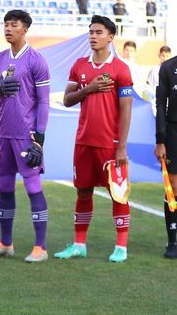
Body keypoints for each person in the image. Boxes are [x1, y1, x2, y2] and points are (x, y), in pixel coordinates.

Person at [55, 15, 133, 263]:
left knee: (118, 194)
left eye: (99, 32)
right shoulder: (80, 65)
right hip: (84, 141)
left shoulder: (121, 68)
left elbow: (126, 109)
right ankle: (79, 244)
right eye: (91, 32)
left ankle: (121, 247)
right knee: (83, 193)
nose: (93, 36)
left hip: (110, 145)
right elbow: (67, 99)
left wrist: (121, 147)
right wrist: (88, 88)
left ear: (111, 37)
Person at [0, 10, 52, 263]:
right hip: (3, 135)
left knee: (33, 187)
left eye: (14, 25)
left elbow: (43, 102)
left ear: (25, 29)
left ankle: (40, 247)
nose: (8, 29)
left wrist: (38, 141)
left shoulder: (36, 60)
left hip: (26, 136)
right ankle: (5, 243)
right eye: (6, 24)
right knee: (4, 187)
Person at [154, 49, 177, 258]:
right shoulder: (168, 67)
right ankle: (173, 242)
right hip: (173, 132)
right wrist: (160, 140)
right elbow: (161, 104)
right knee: (173, 187)